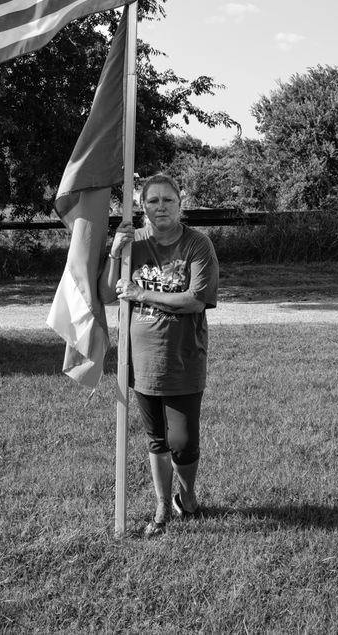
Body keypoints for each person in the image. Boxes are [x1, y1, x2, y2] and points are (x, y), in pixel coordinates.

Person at [99, 173, 219, 537]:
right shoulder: (133, 243)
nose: (160, 207)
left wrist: (141, 294)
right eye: (153, 201)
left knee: (183, 441)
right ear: (142, 206)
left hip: (183, 357)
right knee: (156, 439)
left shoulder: (198, 245)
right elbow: (107, 295)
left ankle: (188, 495)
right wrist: (114, 252)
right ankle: (163, 504)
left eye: (168, 200)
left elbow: (195, 300)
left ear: (180, 204)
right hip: (140, 360)